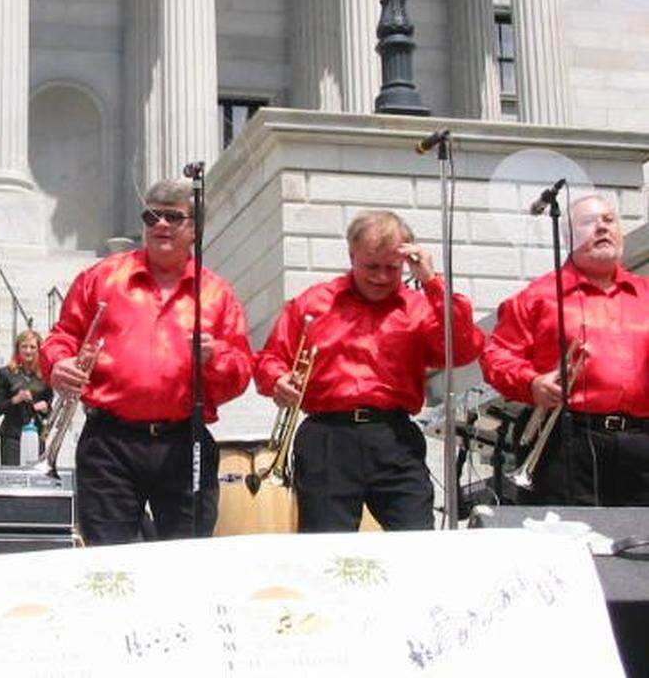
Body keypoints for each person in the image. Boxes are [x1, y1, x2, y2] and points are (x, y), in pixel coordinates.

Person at [41, 179, 252, 545]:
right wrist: (58, 363)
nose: (161, 225)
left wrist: (214, 357)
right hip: (110, 440)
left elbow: (240, 374)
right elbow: (62, 336)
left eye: (173, 217)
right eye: (151, 216)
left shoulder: (216, 293)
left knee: (187, 557)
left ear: (195, 228)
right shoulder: (101, 277)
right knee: (109, 560)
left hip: (184, 442)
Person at [254, 210, 484, 533]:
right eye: (371, 266)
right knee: (327, 549)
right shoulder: (314, 303)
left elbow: (462, 350)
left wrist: (432, 282)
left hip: (393, 437)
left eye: (392, 268)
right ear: (352, 256)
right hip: (327, 438)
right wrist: (278, 380)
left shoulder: (419, 307)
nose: (380, 277)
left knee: (417, 541)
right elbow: (269, 358)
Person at [481, 195, 649, 506]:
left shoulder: (646, 293)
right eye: (588, 223)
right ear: (567, 237)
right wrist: (532, 383)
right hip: (565, 440)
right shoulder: (537, 297)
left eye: (609, 221)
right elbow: (496, 357)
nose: (601, 228)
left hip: (641, 441)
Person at [0, 329, 53, 465]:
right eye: (24, 347)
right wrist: (15, 399)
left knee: (35, 480)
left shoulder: (46, 376)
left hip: (37, 435)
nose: (28, 351)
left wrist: (45, 408)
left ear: (38, 350)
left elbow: (50, 410)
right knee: (12, 480)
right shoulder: (5, 373)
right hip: (12, 436)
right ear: (18, 349)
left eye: (32, 347)